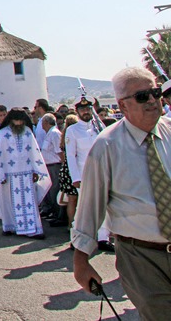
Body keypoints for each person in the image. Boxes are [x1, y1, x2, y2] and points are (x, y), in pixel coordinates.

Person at [72, 67, 171, 319]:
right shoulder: (106, 146)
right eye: (142, 96)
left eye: (155, 93)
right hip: (141, 257)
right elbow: (89, 206)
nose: (151, 100)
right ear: (123, 106)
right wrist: (81, 260)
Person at [0, 109, 51, 238]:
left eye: (21, 120)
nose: (19, 123)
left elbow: (34, 152)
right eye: (17, 120)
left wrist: (35, 170)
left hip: (26, 173)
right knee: (8, 202)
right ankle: (9, 226)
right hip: (8, 175)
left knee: (29, 202)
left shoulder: (27, 132)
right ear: (11, 120)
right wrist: (0, 174)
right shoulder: (3, 134)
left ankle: (33, 229)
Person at [65, 96, 112, 251]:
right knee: (84, 208)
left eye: (88, 109)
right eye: (82, 109)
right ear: (77, 111)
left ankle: (103, 238)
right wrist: (75, 177)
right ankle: (76, 238)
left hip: (102, 172)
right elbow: (71, 156)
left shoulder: (99, 127)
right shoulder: (72, 130)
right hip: (84, 174)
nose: (86, 111)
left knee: (104, 205)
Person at [38, 114, 63, 223]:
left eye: (43, 122)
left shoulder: (54, 134)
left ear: (47, 122)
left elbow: (60, 151)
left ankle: (59, 215)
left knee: (55, 191)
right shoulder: (50, 133)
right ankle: (54, 213)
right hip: (49, 166)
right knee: (51, 191)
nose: (42, 125)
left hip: (55, 166)